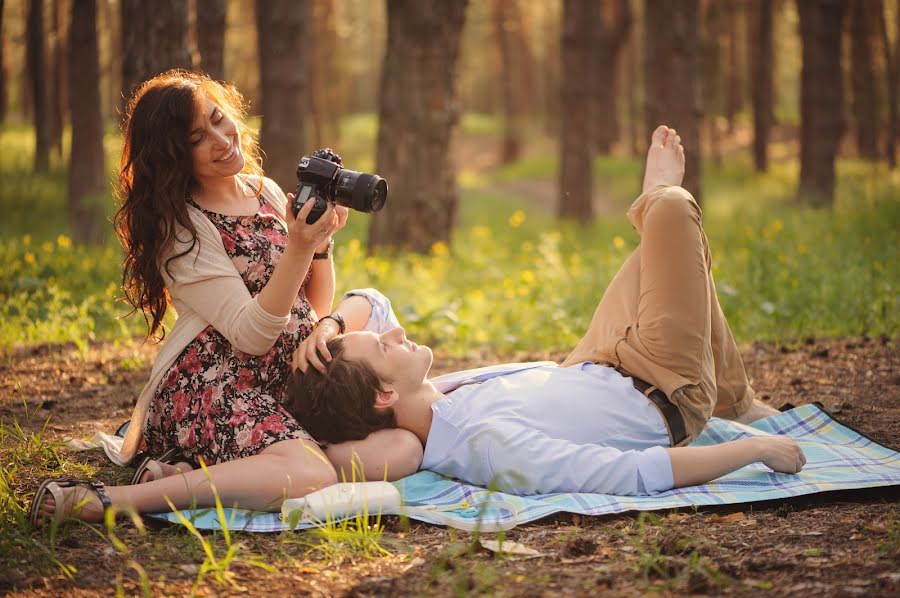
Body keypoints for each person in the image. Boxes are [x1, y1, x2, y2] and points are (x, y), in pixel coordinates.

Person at [287, 126, 806, 496]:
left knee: (667, 255)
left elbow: (373, 303)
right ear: (384, 394)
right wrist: (753, 451)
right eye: (383, 346)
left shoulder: (427, 402)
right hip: (667, 389)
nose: (396, 333)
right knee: (672, 214)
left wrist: (329, 324)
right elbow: (629, 474)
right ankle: (656, 198)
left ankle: (736, 401)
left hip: (600, 359)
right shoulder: (487, 447)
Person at [29, 71, 420, 528]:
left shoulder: (266, 192)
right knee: (312, 472)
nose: (221, 139)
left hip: (286, 378)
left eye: (219, 119)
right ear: (174, 157)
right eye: (198, 137)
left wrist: (320, 245)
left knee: (396, 449)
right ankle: (115, 500)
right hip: (214, 383)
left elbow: (310, 306)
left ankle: (212, 471)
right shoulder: (182, 230)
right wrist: (297, 248)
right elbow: (250, 335)